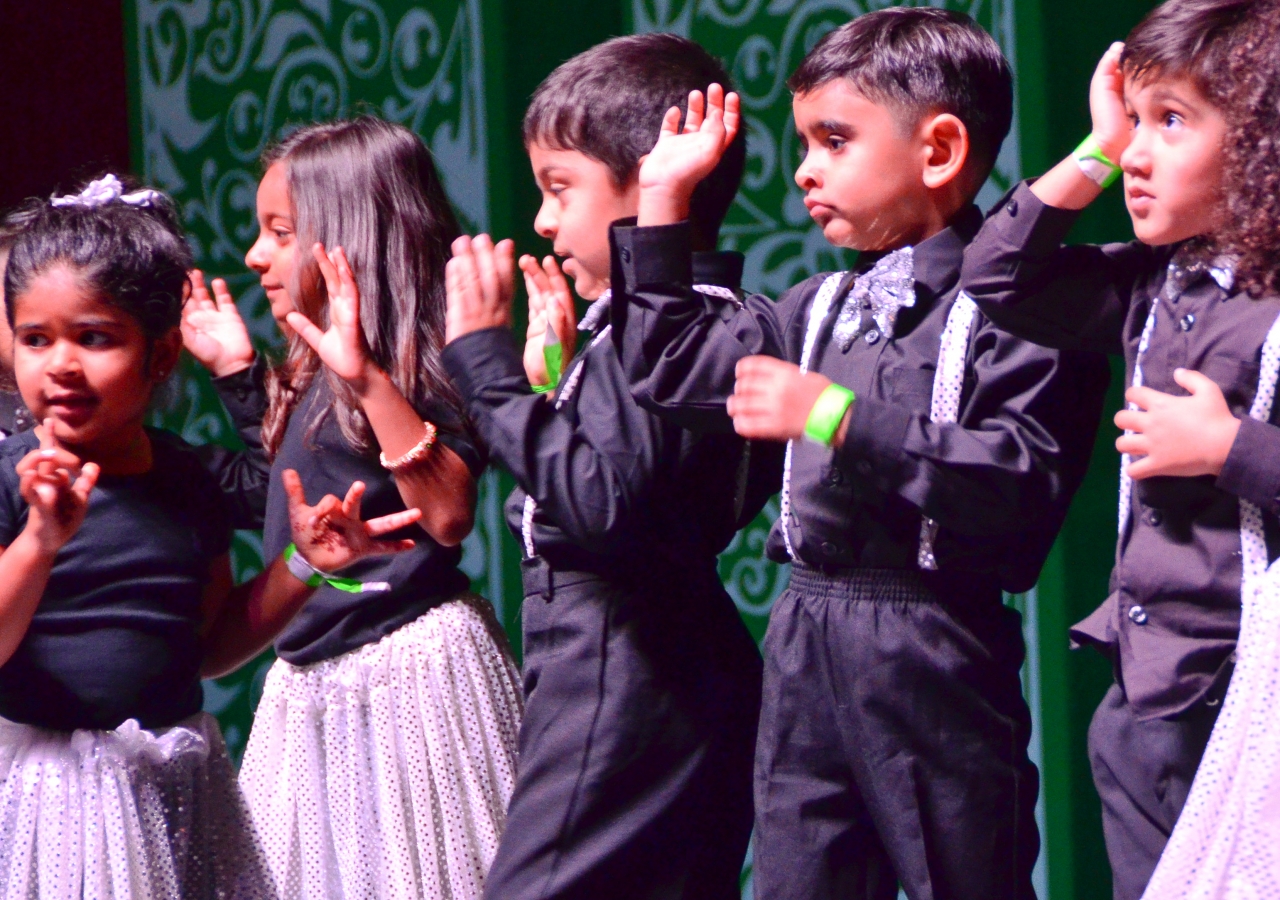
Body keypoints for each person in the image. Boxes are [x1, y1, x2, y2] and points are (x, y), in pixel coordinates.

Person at [608, 9, 1110, 899]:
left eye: (833, 140)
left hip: (932, 643)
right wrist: (661, 205)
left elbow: (1017, 491)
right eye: (805, 142)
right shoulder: (815, 306)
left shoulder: (1026, 312)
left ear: (941, 149)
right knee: (803, 875)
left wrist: (839, 414)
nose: (805, 168)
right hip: (807, 633)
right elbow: (672, 370)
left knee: (962, 875)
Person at [0, 175, 421, 898]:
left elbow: (210, 650)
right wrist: (40, 539)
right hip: (46, 798)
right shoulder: (12, 479)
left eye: (94, 338)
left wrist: (303, 567)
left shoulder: (188, 479)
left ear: (161, 356)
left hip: (172, 787)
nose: (61, 363)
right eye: (36, 339)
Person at [441, 33, 774, 900]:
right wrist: (553, 382)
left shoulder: (663, 329)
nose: (544, 220)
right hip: (651, 660)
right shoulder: (705, 319)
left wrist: (485, 363)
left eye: (560, 188)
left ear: (661, 176)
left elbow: (603, 506)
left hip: (624, 665)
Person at [958, 1, 1280, 896]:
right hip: (1147, 691)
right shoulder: (1149, 280)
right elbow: (998, 277)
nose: (1136, 155)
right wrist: (1098, 147)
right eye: (1134, 122)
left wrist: (1229, 446)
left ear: (1264, 142)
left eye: (1170, 122)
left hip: (1254, 697)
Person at [181, 116, 523, 900]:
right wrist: (242, 376)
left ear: (346, 242)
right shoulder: (314, 370)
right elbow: (313, 481)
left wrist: (365, 375)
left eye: (280, 232)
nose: (255, 256)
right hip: (311, 680)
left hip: (410, 676)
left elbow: (446, 514)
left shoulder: (419, 363)